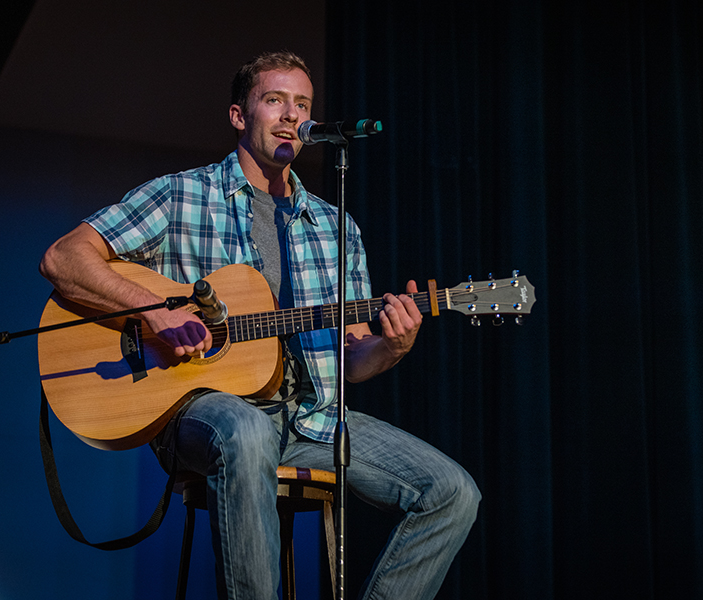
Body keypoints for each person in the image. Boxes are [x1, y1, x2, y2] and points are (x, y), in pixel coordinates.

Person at [39, 50, 480, 600]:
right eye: (275, 100)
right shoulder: (180, 195)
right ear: (238, 116)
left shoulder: (335, 226)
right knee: (244, 432)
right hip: (197, 411)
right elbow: (64, 258)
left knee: (451, 491)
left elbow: (354, 357)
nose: (292, 115)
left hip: (309, 419)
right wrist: (154, 311)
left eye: (303, 104)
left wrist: (394, 346)